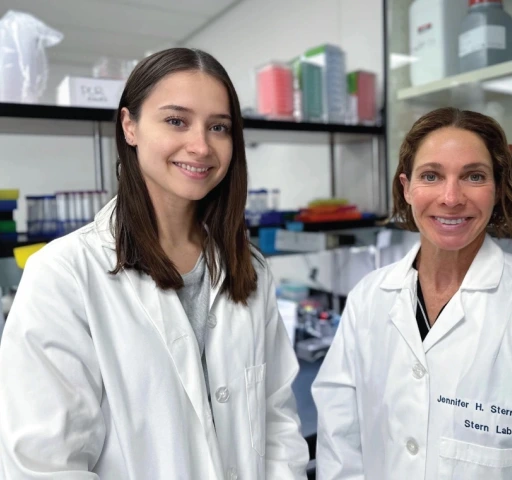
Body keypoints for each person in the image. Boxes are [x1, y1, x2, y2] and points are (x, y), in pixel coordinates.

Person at [0, 48, 309, 479]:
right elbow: (43, 465)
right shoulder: (65, 274)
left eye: (218, 127)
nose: (201, 146)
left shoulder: (248, 268)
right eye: (176, 121)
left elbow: (276, 420)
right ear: (130, 126)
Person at [312, 107, 512, 479]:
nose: (451, 197)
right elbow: (340, 445)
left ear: (497, 189)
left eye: (474, 176)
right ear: (406, 188)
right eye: (431, 176)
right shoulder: (368, 298)